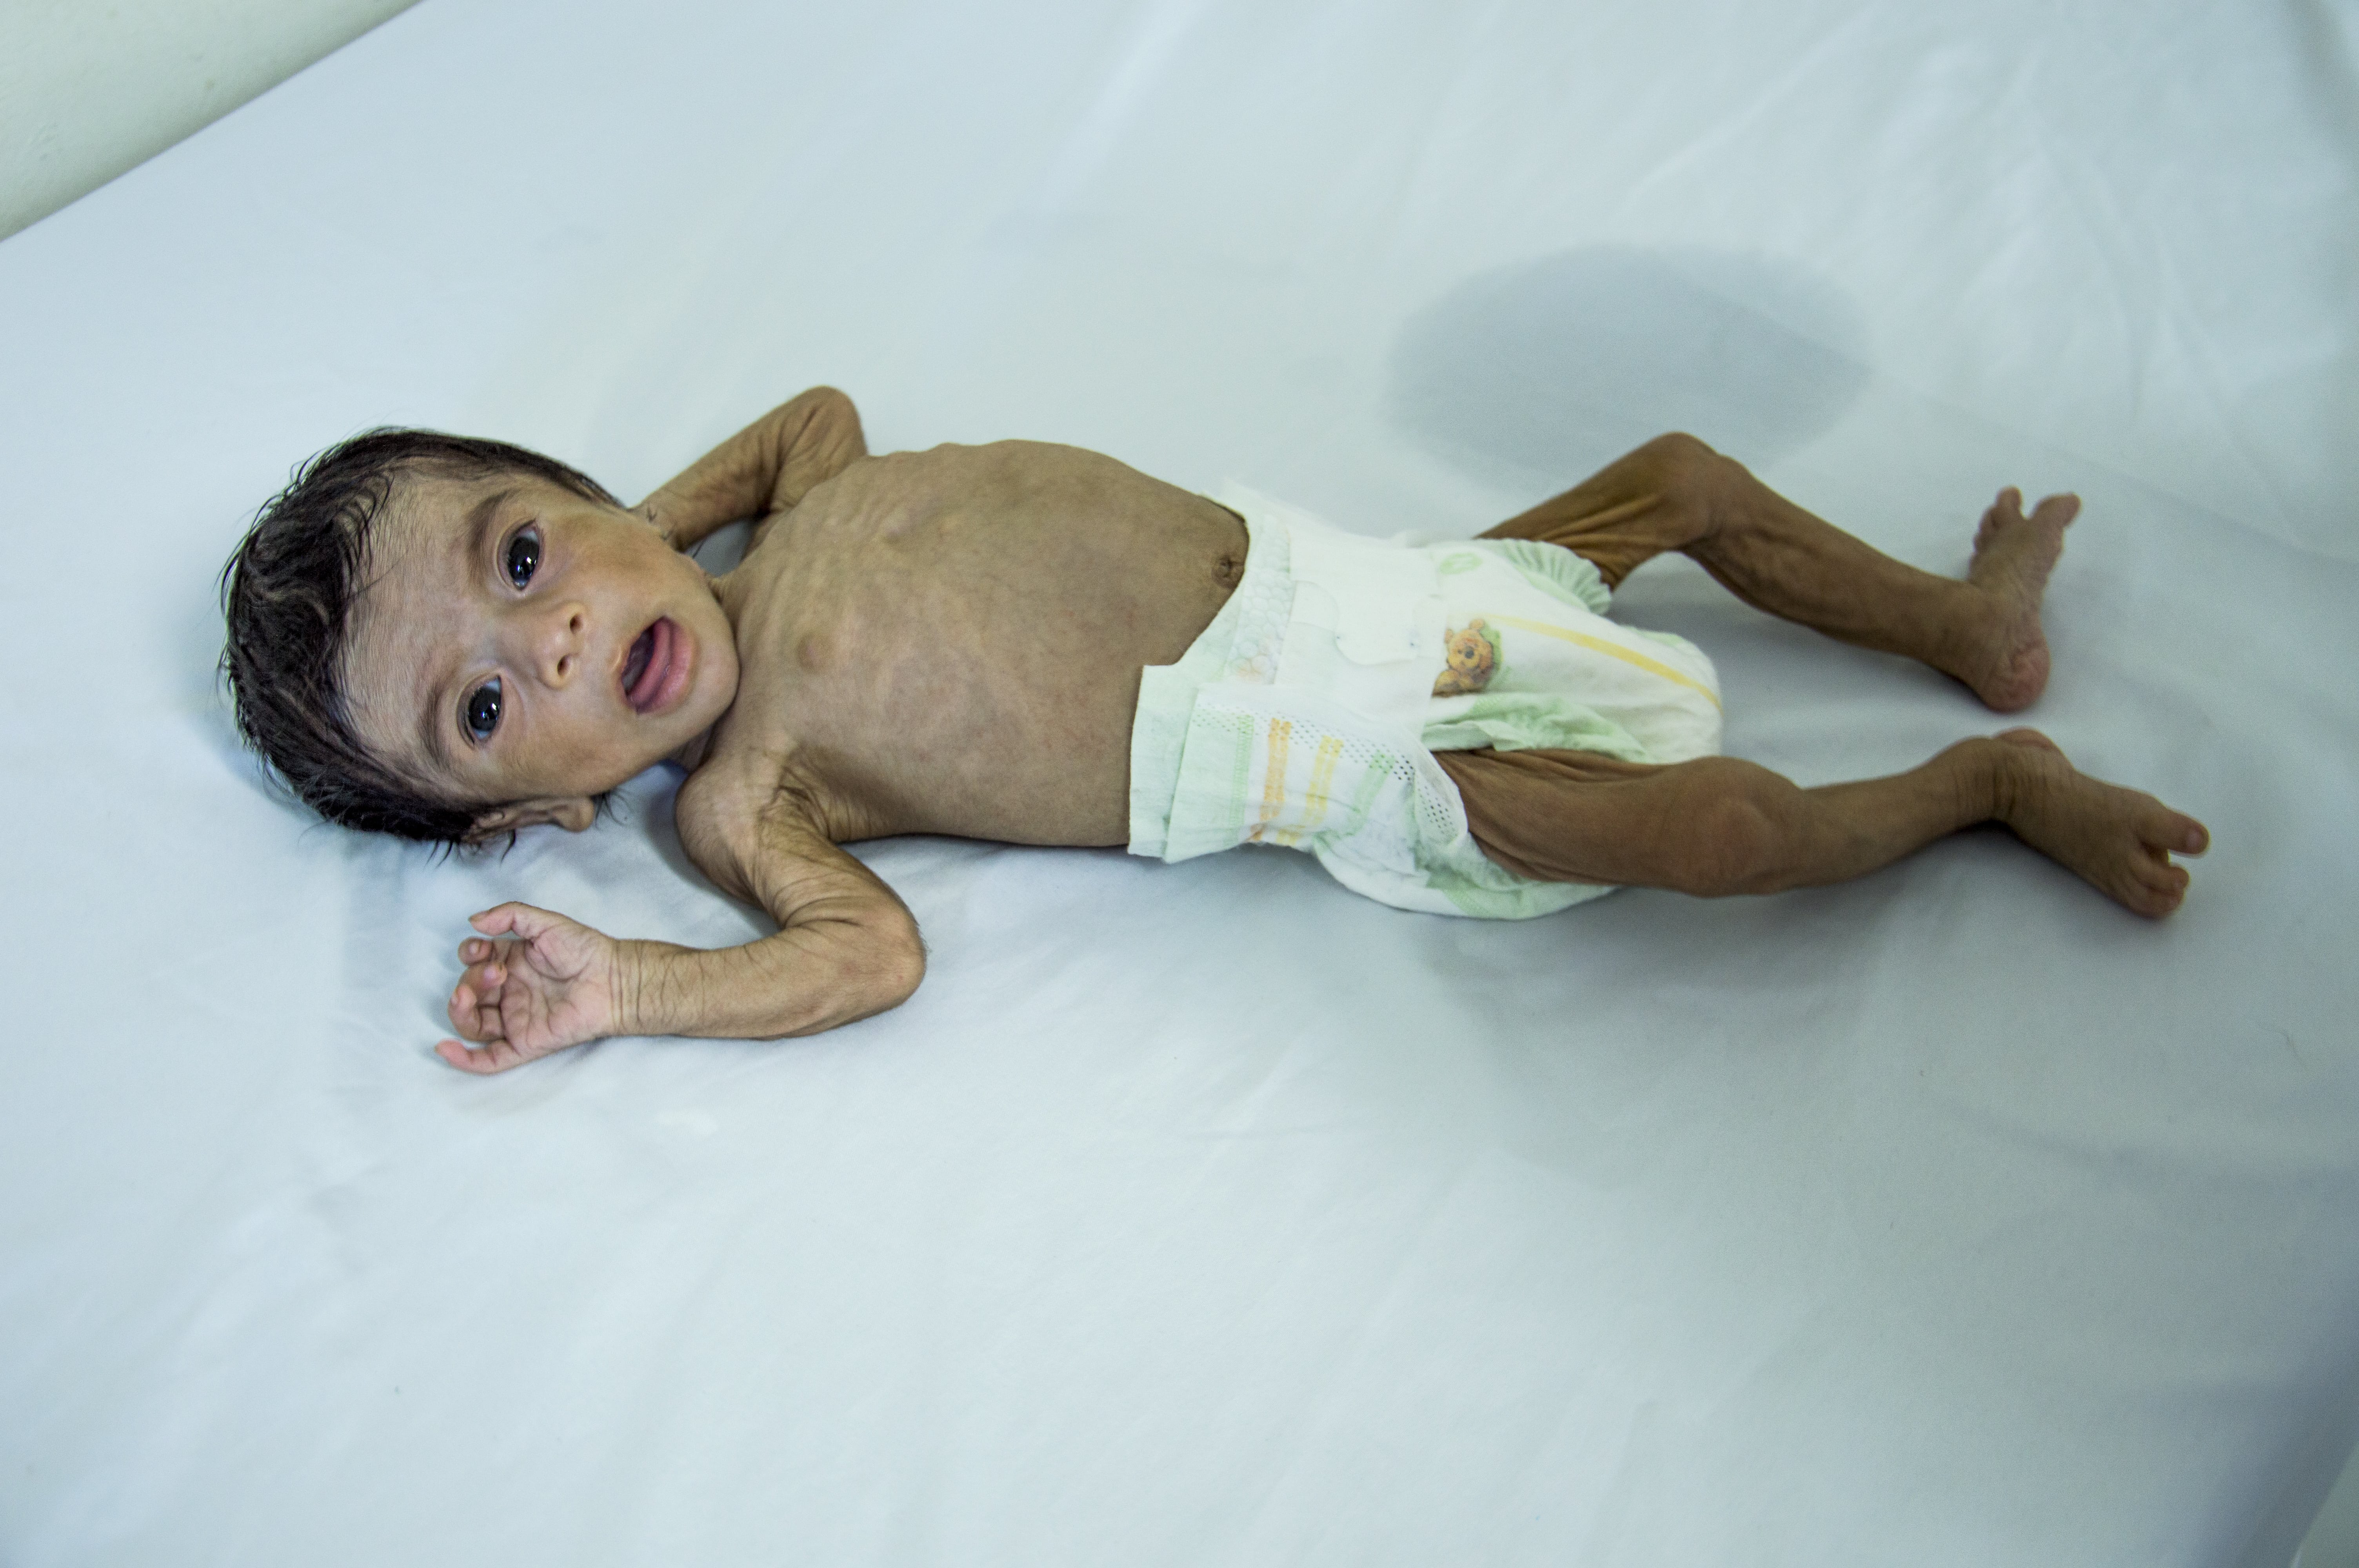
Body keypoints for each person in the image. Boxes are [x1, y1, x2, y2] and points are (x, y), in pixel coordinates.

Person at [218, 387, 2210, 1074]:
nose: (563, 632)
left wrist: (657, 527)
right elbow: (867, 956)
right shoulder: (744, 804)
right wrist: (633, 987)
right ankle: (1985, 785)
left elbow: (805, 409)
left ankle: (1958, 623)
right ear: (518, 817)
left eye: (524, 550)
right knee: (1717, 834)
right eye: (492, 703)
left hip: (1399, 587)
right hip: (1366, 760)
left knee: (1682, 482)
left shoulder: (809, 483)